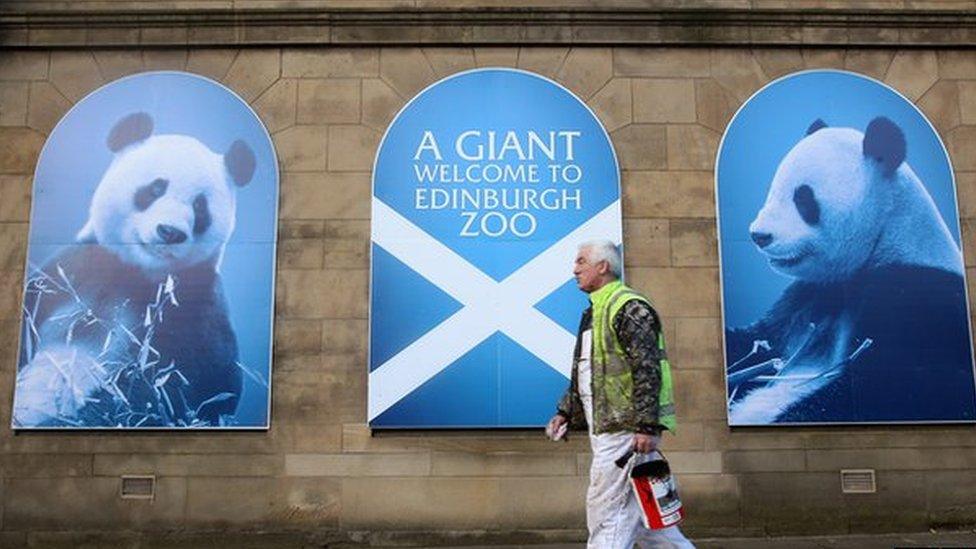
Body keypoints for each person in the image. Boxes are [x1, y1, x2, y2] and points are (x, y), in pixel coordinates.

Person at [547, 240, 694, 549]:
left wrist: (646, 426)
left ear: (603, 266)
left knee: (606, 514)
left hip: (623, 433)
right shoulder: (595, 313)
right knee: (651, 524)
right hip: (614, 430)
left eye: (581, 261)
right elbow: (587, 372)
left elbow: (647, 368)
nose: (574, 269)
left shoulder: (629, 307)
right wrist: (565, 412)